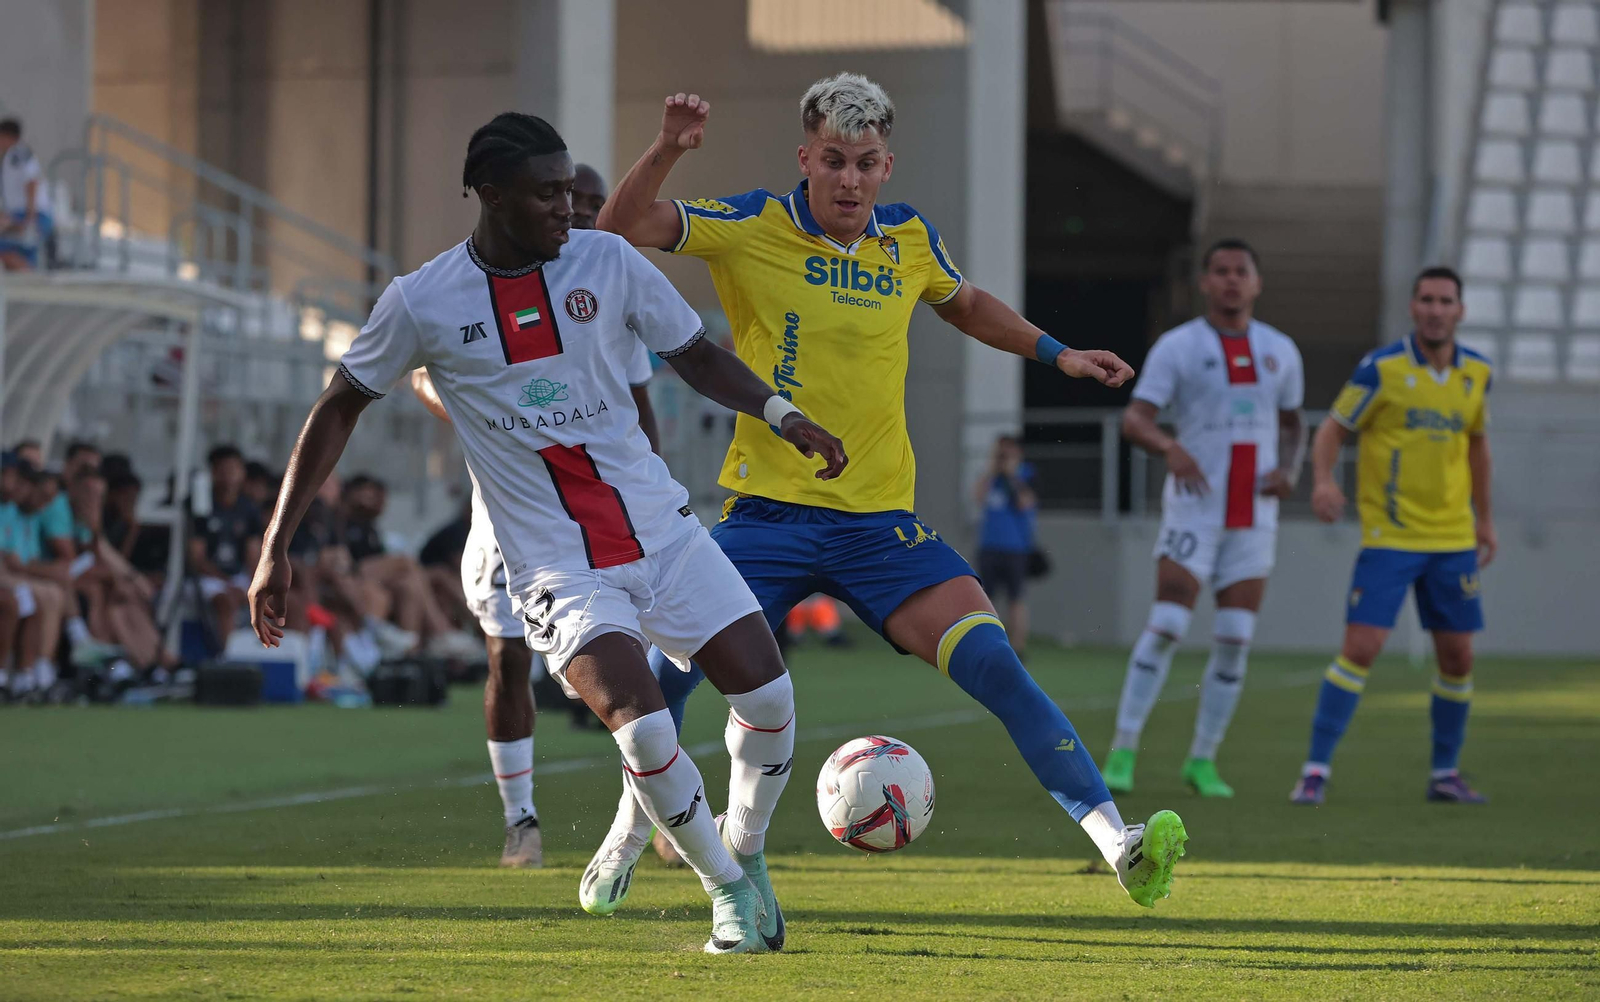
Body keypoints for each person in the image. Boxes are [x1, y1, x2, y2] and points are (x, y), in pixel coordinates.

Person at [249, 112, 846, 954]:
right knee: (642, 726)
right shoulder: (421, 299)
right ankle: (728, 893)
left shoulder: (608, 261)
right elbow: (338, 405)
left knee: (771, 697)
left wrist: (784, 416)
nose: (571, 206)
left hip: (662, 533)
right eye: (549, 193)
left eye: (571, 189)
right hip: (558, 568)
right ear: (491, 196)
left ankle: (742, 849)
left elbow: (697, 355)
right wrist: (275, 547)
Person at [593, 74, 1186, 911]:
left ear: (886, 167)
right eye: (832, 160)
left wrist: (1062, 354)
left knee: (999, 669)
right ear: (805, 158)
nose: (849, 180)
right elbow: (619, 228)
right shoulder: (754, 224)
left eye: (865, 164)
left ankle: (1118, 843)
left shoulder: (907, 240)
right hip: (765, 519)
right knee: (667, 680)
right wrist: (667, 151)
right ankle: (626, 834)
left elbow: (968, 304)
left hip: (881, 529)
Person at [408, 174, 666, 865]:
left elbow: (643, 404)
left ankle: (655, 812)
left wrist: (652, 490)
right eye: (568, 204)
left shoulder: (609, 293)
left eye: (590, 205)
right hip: (512, 521)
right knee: (509, 656)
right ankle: (520, 820)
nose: (578, 215)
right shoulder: (489, 286)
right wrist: (484, 419)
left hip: (605, 512)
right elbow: (423, 370)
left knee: (632, 665)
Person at [1100, 240, 1305, 799]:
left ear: (1257, 282)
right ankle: (1122, 751)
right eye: (1221, 271)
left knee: (1236, 636)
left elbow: (1292, 423)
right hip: (1195, 506)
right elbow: (1135, 421)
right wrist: (1170, 446)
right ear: (1206, 283)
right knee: (1167, 623)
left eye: (1243, 271)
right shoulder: (1179, 346)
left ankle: (1203, 760)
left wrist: (1290, 470)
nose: (1233, 280)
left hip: (1253, 514)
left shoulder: (1281, 350)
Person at [1291, 266, 1495, 805]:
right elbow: (1333, 428)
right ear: (1413, 307)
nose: (1435, 309)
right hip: (1391, 538)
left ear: (1460, 310)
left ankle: (1444, 775)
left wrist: (1486, 520)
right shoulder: (1380, 369)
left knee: (1459, 659)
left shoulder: (1477, 372)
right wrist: (1323, 480)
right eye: (1426, 299)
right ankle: (1314, 771)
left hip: (1453, 539)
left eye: (1445, 300)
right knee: (1361, 647)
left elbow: (1477, 446)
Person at [973, 435, 1038, 656]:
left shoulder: (1026, 474)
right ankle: (987, 644)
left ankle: (1018, 647)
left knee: (1016, 599)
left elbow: (1025, 503)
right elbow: (977, 498)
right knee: (985, 598)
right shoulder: (991, 478)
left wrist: (1011, 476)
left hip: (1015, 548)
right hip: (989, 546)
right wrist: (992, 471)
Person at [0, 119, 54, 271]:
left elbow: (31, 182)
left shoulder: (19, 154)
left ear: (6, 136)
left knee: (9, 252)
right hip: (19, 215)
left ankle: (33, 280)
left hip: (32, 215)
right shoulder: (9, 157)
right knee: (12, 253)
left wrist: (30, 218)